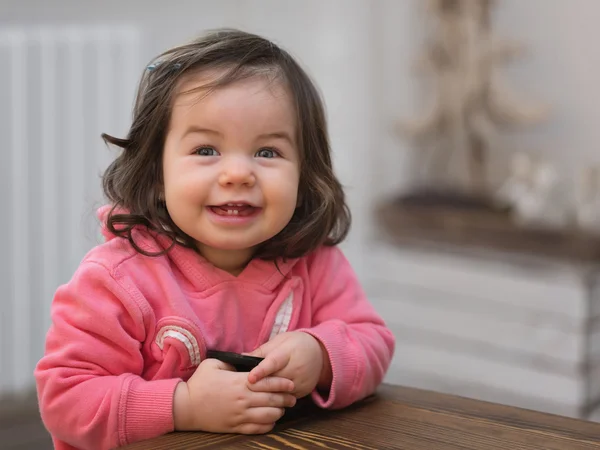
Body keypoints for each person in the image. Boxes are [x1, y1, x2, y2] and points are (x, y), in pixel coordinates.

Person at [34, 28, 395, 450]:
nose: (238, 173)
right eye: (206, 150)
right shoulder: (115, 281)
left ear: (305, 173)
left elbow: (374, 344)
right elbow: (66, 400)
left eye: (267, 152)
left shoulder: (314, 263)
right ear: (157, 174)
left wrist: (321, 355)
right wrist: (183, 405)